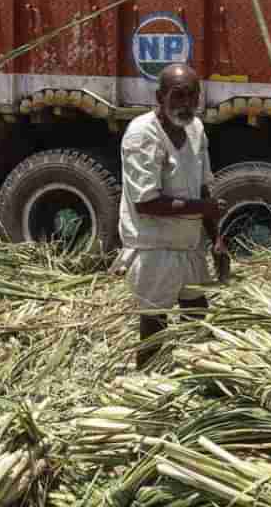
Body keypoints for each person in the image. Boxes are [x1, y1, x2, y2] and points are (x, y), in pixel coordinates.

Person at [115, 64, 230, 370]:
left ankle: (193, 381)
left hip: (189, 244)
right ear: (159, 96)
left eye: (193, 96)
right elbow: (146, 203)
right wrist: (203, 209)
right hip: (154, 248)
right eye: (178, 95)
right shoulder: (143, 135)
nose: (186, 104)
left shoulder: (195, 129)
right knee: (155, 327)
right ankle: (149, 386)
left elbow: (204, 188)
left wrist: (216, 237)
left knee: (198, 318)